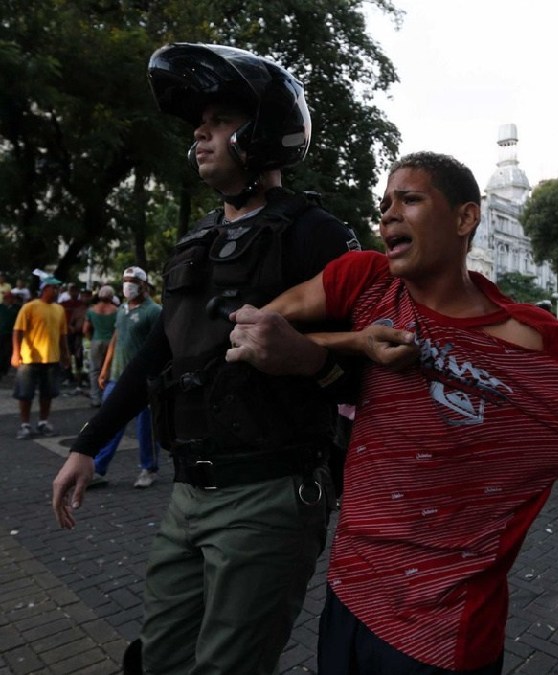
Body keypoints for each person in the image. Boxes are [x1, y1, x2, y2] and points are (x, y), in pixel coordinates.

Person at [227, 151, 558, 674]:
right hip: (347, 599)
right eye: (385, 202)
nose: (388, 214)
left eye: (409, 199)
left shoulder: (530, 342)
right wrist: (356, 343)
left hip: (442, 637)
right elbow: (254, 327)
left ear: (465, 218)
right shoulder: (367, 283)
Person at [51, 43, 360, 674]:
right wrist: (89, 443)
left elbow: (372, 371)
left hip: (270, 493)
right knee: (160, 657)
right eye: (200, 121)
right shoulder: (197, 238)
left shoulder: (315, 235)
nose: (200, 131)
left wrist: (305, 358)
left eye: (220, 119)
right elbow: (160, 351)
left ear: (265, 131)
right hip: (187, 492)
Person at [89, 267, 162, 487]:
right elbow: (116, 337)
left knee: (146, 428)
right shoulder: (121, 309)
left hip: (143, 380)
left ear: (143, 284)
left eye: (131, 281)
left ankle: (148, 469)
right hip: (116, 377)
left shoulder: (154, 311)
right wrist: (105, 368)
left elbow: (161, 345)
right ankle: (98, 470)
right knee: (108, 423)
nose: (127, 285)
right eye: (124, 281)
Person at [11, 275, 68, 439]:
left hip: (51, 358)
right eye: (53, 288)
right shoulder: (29, 307)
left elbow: (63, 335)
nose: (56, 291)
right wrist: (16, 353)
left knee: (47, 393)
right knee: (25, 394)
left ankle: (43, 422)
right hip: (29, 359)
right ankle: (25, 425)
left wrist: (65, 354)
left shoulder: (59, 309)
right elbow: (18, 331)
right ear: (44, 289)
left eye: (57, 288)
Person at [83, 285, 118, 406]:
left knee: (94, 370)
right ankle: (107, 396)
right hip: (111, 342)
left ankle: (95, 398)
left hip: (96, 340)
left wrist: (90, 339)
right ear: (111, 296)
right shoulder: (116, 310)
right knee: (108, 369)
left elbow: (85, 329)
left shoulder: (91, 310)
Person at [0, 291, 20, 378]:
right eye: (6, 298)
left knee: (8, 352)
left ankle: (5, 368)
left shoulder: (17, 308)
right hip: (1, 333)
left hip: (11, 334)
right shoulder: (1, 307)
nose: (8, 300)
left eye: (10, 298)